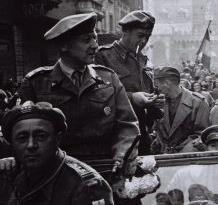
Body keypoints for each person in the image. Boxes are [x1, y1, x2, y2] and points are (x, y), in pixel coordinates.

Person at [17, 12, 139, 171]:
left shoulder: (109, 78)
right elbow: (20, 131)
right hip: (57, 172)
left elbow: (127, 125)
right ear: (64, 45)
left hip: (106, 168)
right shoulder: (36, 84)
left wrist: (122, 154)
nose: (95, 45)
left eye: (95, 38)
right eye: (86, 40)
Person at [95, 10, 163, 155]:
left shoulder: (144, 61)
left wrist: (155, 103)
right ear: (125, 32)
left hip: (141, 138)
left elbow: (148, 102)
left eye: (147, 37)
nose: (144, 41)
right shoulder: (102, 56)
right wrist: (133, 98)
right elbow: (97, 98)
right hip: (113, 140)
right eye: (140, 36)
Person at [150, 67, 210, 154]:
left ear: (166, 83)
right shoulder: (160, 102)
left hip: (187, 157)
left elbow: (203, 135)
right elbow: (157, 130)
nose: (155, 89)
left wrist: (181, 154)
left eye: (156, 86)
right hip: (164, 155)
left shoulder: (198, 102)